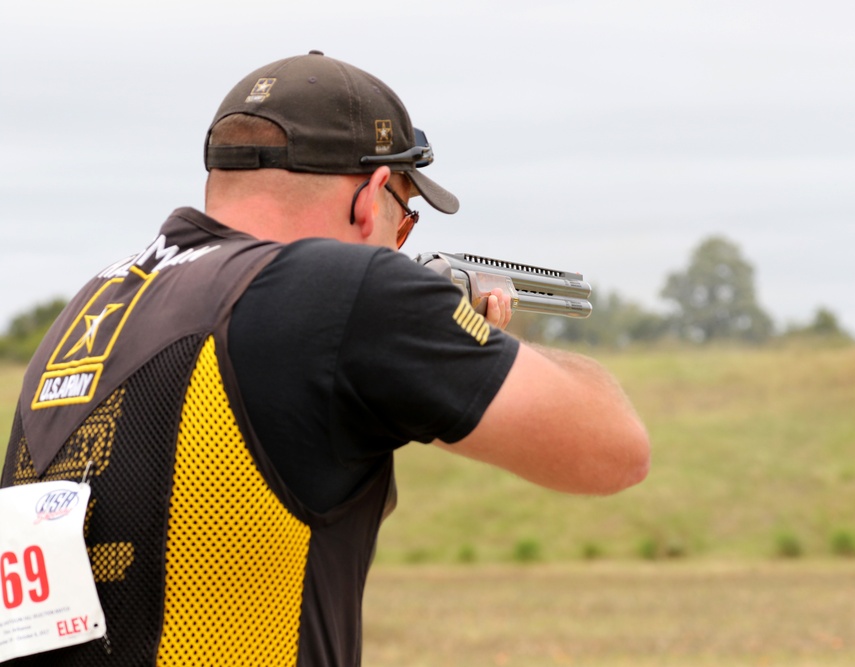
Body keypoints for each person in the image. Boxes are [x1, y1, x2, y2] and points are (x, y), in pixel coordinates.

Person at [0, 51, 649, 666]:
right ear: (371, 196)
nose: (400, 240)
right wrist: (485, 339)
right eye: (407, 216)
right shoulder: (340, 290)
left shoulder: (97, 305)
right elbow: (614, 450)